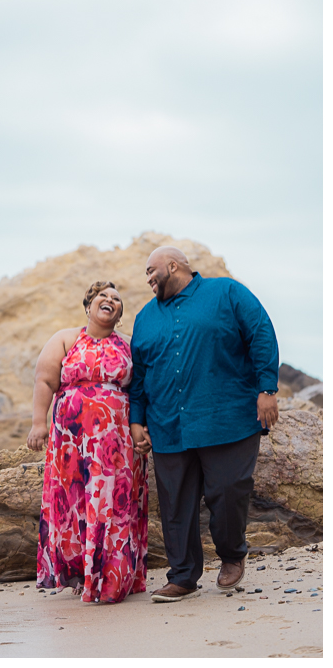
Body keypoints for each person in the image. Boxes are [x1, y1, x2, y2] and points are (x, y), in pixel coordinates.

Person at [129, 247, 279, 604]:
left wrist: (267, 389)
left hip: (226, 418)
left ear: (173, 265)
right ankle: (182, 577)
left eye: (151, 270)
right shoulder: (145, 318)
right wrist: (137, 421)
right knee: (175, 506)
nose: (148, 278)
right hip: (168, 426)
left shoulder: (226, 292)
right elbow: (139, 377)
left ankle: (231, 555)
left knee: (228, 491)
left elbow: (260, 332)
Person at [27, 281, 147, 604]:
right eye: (102, 296)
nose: (109, 301)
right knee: (75, 501)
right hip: (70, 440)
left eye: (116, 299)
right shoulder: (66, 338)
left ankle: (112, 576)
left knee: (114, 502)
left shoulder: (129, 344)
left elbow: (142, 389)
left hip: (117, 441)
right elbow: (45, 379)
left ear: (120, 312)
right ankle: (82, 574)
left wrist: (142, 428)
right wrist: (38, 424)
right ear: (88, 305)